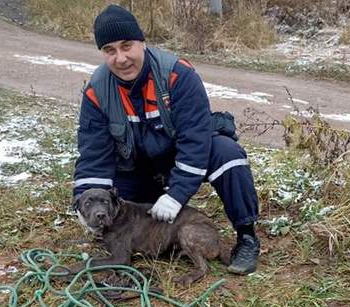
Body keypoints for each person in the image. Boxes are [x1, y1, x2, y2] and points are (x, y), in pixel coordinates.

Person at [73, 4, 260, 275]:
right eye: (110, 50)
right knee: (123, 217)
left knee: (227, 153)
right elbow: (94, 154)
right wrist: (86, 203)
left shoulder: (178, 75)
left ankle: (246, 236)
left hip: (179, 160)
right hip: (136, 167)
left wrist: (177, 195)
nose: (121, 58)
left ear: (143, 43)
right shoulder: (96, 92)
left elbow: (196, 142)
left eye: (127, 46)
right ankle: (163, 238)